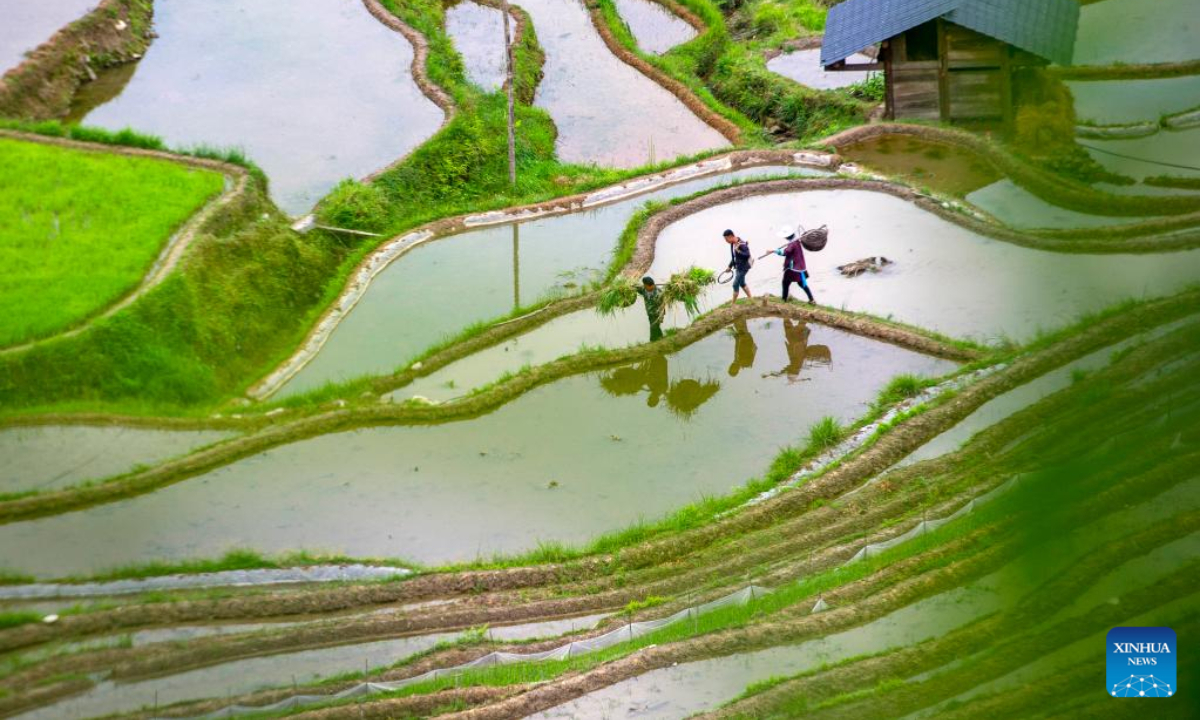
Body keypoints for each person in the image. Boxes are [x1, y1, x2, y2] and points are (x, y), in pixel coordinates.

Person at [775, 226, 815, 304]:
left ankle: (784, 300)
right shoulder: (796, 242)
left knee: (785, 283)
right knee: (801, 284)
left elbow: (785, 252)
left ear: (787, 237)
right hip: (800, 267)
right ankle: (811, 299)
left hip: (793, 269)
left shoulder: (792, 244)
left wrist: (776, 251)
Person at [723, 229, 753, 303]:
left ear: (731, 236)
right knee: (742, 283)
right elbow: (734, 257)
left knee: (735, 284)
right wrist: (729, 266)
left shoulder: (742, 244)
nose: (726, 241)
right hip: (739, 266)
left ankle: (733, 304)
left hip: (744, 267)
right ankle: (751, 299)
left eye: (726, 239)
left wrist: (738, 251)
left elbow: (747, 255)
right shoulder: (733, 243)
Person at [636, 275, 665, 341]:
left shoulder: (659, 292)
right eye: (647, 286)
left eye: (652, 286)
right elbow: (635, 287)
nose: (651, 287)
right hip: (650, 312)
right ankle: (661, 339)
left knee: (653, 327)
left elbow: (664, 302)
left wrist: (661, 315)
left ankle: (653, 341)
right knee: (655, 327)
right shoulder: (643, 289)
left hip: (658, 313)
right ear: (645, 285)